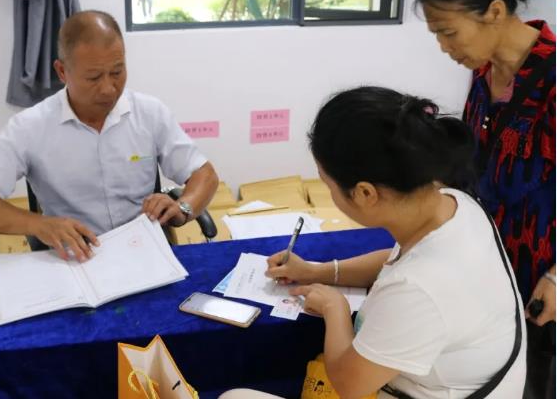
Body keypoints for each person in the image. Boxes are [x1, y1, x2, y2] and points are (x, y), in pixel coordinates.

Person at [222, 86, 526, 399]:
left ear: (365, 193)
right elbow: (398, 259)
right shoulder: (453, 202)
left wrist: (335, 309)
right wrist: (317, 271)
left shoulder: (417, 290)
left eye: (328, 185)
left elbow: (350, 385)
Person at [0, 10, 219, 259]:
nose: (108, 88)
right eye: (93, 77)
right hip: (75, 258)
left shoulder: (149, 113)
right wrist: (39, 224)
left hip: (143, 251)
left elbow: (204, 174)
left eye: (117, 72)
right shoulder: (30, 127)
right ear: (62, 71)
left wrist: (183, 208)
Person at [416, 0, 555, 398]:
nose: (443, 47)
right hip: (487, 264)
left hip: (540, 278)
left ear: (495, 11)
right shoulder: (483, 72)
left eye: (448, 32)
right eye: (436, 35)